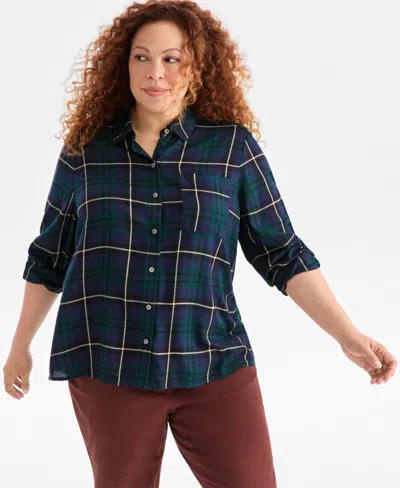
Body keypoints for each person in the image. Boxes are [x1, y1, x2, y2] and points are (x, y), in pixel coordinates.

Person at [4, 1, 397, 487]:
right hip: (109, 362)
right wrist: (19, 346)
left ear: (197, 67)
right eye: (142, 57)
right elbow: (49, 257)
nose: (155, 72)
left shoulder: (231, 149)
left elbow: (282, 253)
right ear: (124, 63)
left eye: (172, 59)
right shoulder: (86, 151)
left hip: (212, 360)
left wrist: (348, 335)